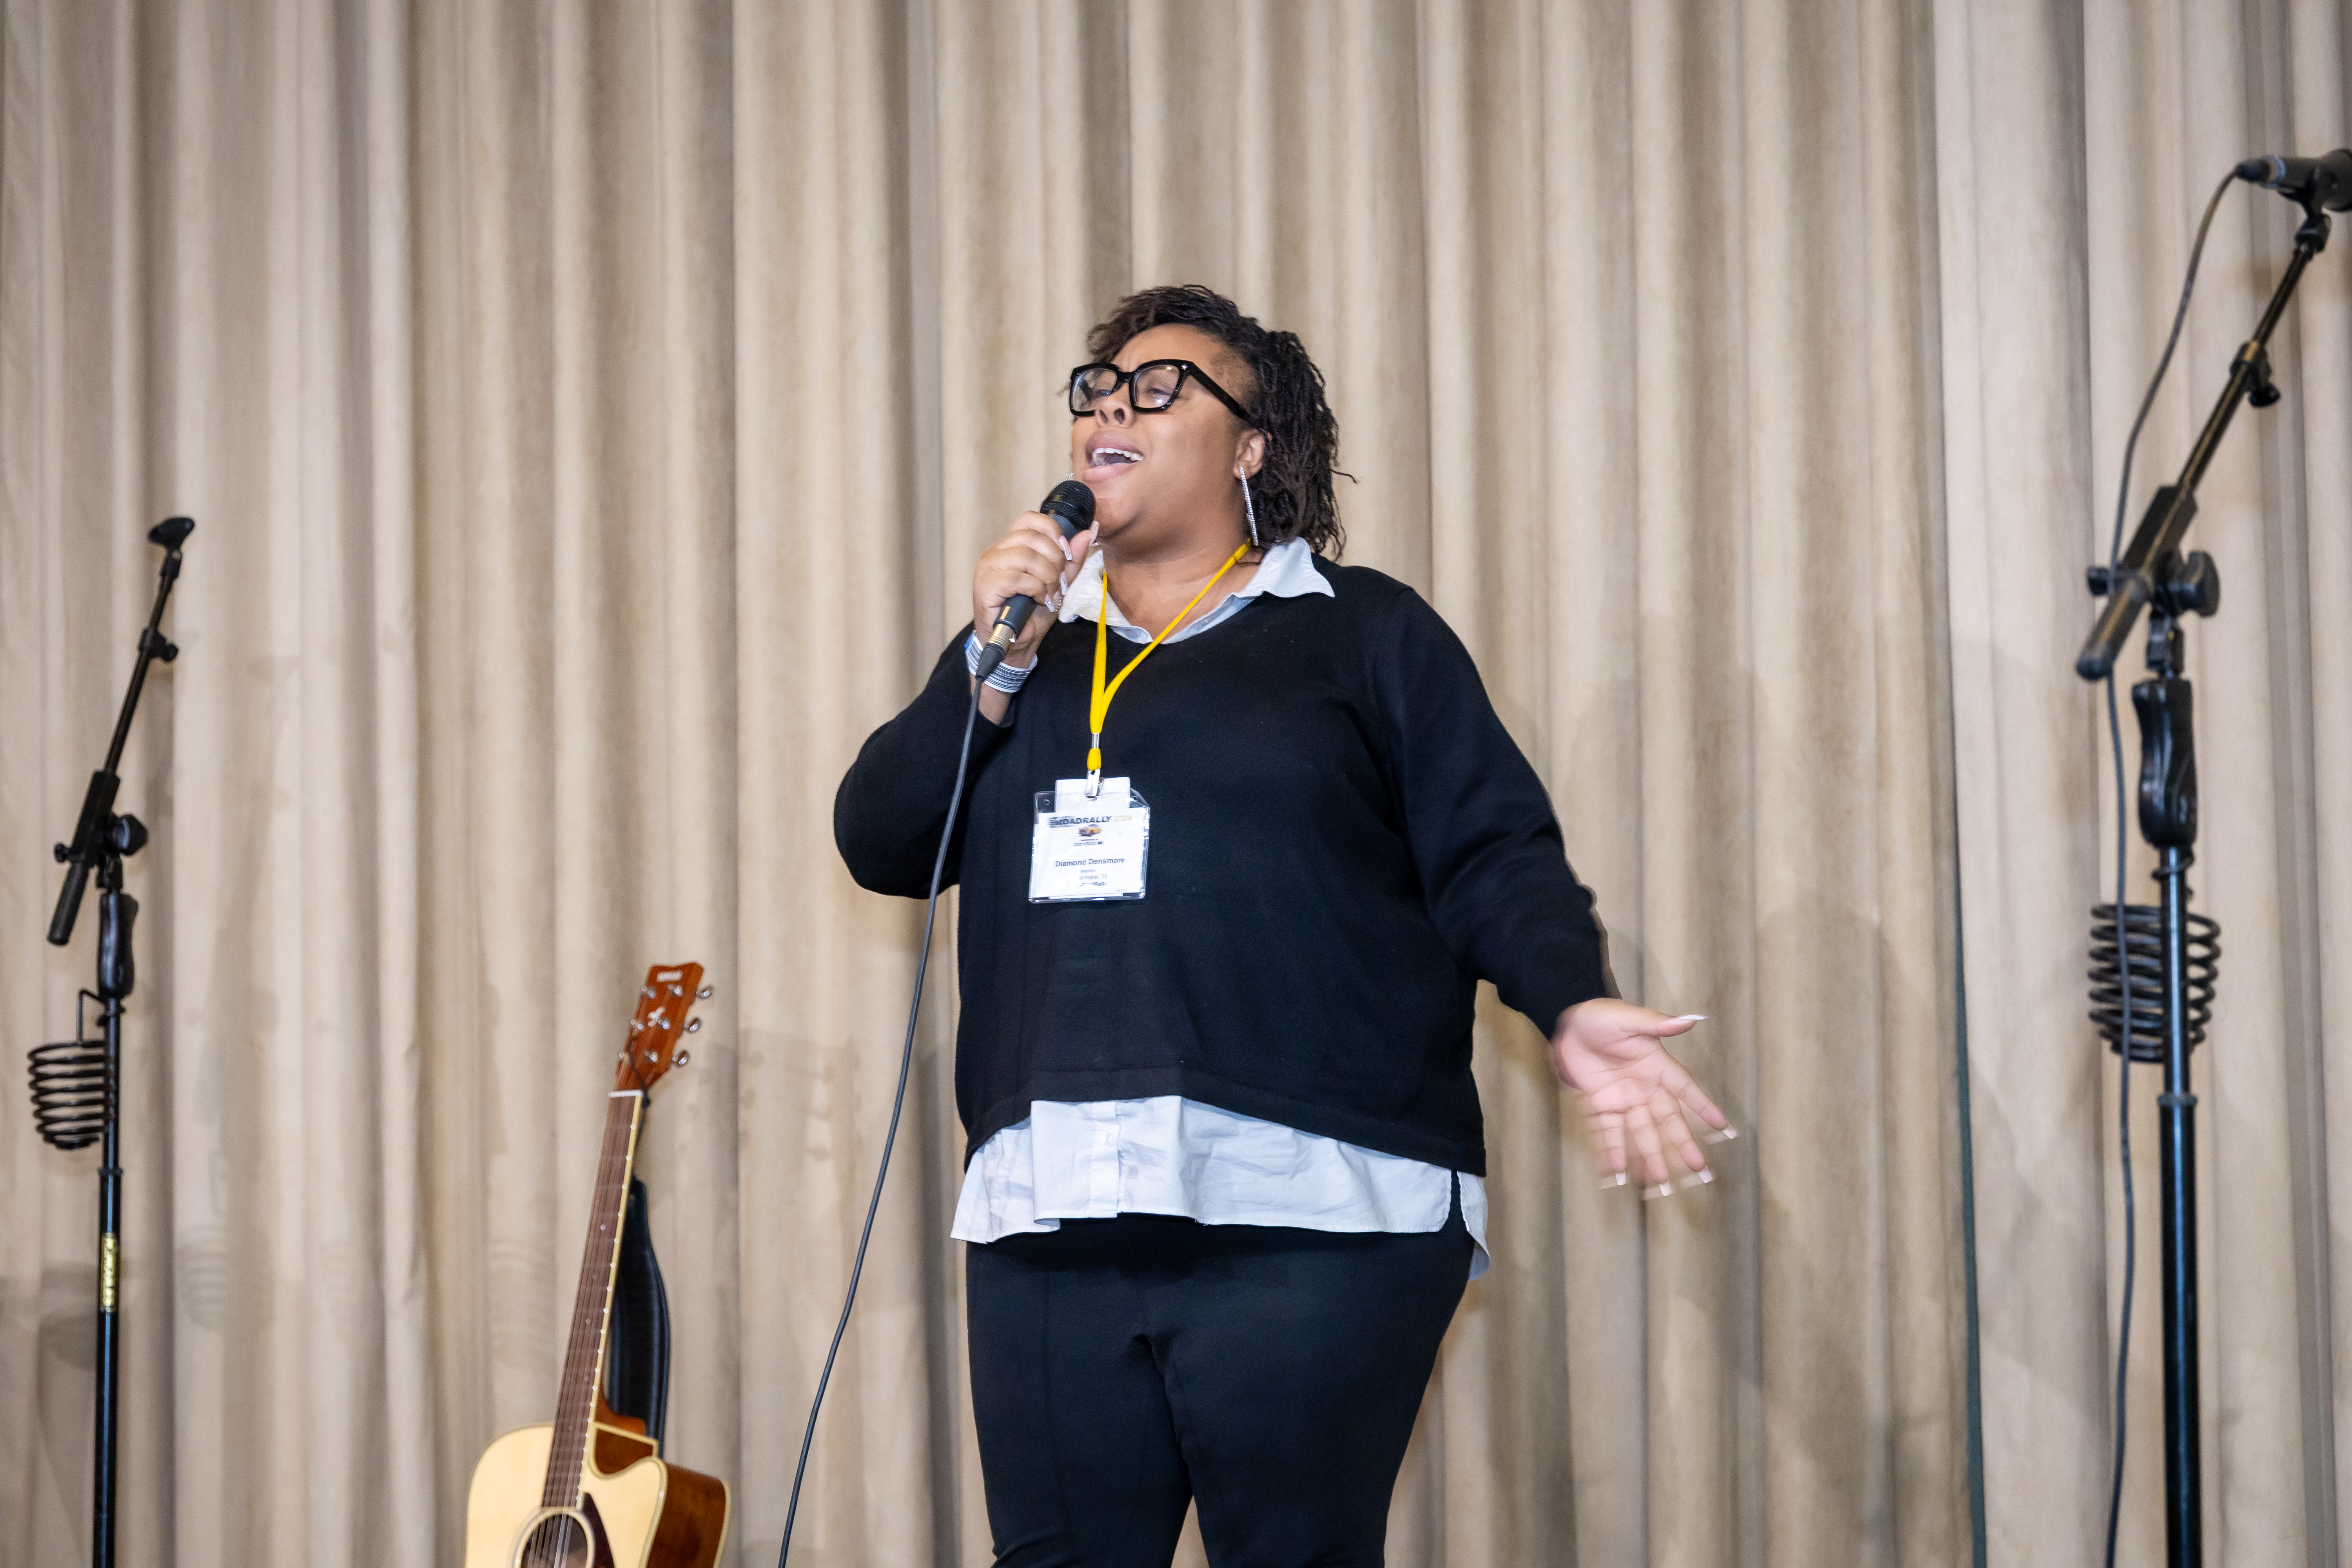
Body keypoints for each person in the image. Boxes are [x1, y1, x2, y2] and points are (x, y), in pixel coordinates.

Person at [834, 283, 1728, 1567]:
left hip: (1314, 1197)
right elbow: (881, 839)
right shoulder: (1025, 653)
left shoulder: (1361, 633)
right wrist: (987, 659)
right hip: (1051, 1206)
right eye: (1098, 389)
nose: (1112, 408)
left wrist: (1571, 1001)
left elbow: (1492, 850)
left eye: (1160, 387)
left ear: (1254, 447)